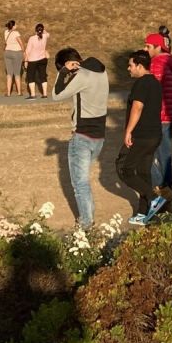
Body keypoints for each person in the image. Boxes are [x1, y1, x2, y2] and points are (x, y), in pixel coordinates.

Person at [50, 47, 109, 229]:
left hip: (82, 136)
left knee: (79, 183)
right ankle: (89, 216)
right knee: (83, 181)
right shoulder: (101, 71)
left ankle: (85, 222)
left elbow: (56, 95)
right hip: (99, 135)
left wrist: (62, 73)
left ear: (69, 64)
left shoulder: (82, 75)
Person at [117, 49, 166, 225]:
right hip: (155, 135)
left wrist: (128, 131)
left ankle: (154, 197)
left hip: (142, 136)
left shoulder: (141, 83)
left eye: (130, 65)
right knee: (144, 172)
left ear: (139, 65)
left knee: (124, 169)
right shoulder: (154, 82)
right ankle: (143, 213)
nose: (128, 68)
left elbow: (137, 108)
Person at [146, 27, 172, 207]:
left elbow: (152, 88)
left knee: (148, 154)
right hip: (171, 113)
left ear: (158, 47)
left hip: (159, 114)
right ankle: (168, 191)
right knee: (165, 154)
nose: (146, 50)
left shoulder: (158, 63)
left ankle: (163, 192)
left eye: (149, 46)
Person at [23, 23, 50, 99]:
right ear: (42, 30)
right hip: (42, 59)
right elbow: (48, 34)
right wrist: (43, 30)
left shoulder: (32, 38)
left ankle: (33, 95)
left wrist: (25, 61)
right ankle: (45, 94)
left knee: (31, 77)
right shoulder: (44, 36)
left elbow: (27, 50)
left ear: (35, 30)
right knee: (43, 76)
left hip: (32, 60)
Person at [3, 20, 25, 97]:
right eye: (16, 24)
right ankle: (19, 92)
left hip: (7, 53)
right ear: (13, 26)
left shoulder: (6, 32)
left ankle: (8, 92)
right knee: (17, 74)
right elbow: (21, 43)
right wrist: (24, 52)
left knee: (9, 74)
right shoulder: (16, 33)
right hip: (16, 53)